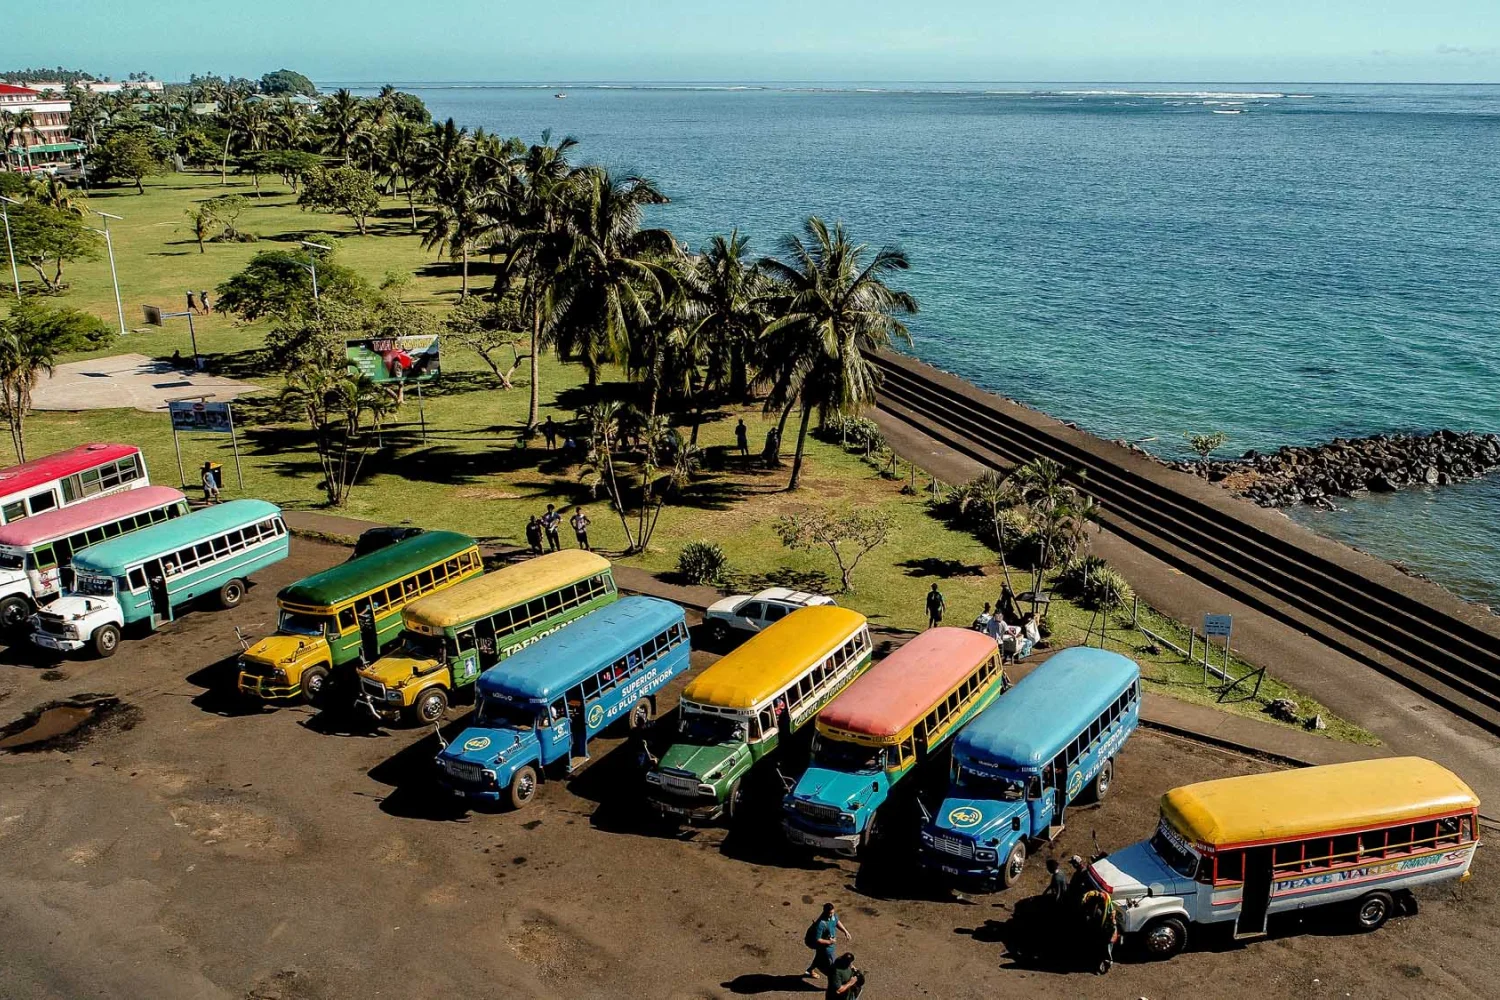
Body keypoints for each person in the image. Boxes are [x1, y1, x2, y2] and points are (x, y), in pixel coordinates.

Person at [803, 902, 851, 981]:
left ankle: (810, 970)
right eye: (830, 913)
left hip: (827, 945)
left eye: (832, 912)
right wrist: (829, 942)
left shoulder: (833, 916)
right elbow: (818, 939)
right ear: (825, 912)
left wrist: (845, 931)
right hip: (826, 948)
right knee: (833, 965)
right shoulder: (820, 924)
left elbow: (836, 921)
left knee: (818, 958)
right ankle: (836, 981)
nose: (831, 915)